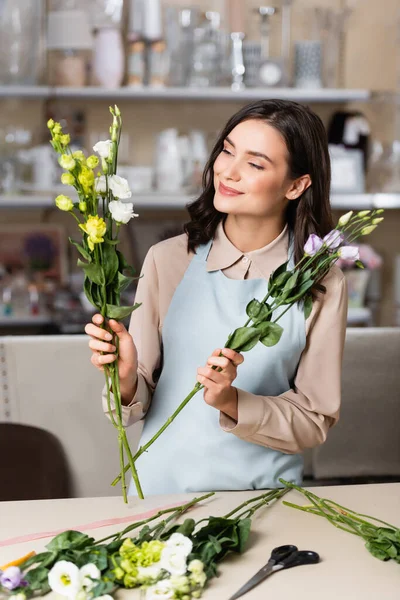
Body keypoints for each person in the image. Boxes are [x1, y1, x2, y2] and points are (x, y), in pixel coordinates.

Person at [85, 99, 347, 496]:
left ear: (297, 185)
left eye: (255, 164)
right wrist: (123, 378)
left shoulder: (321, 279)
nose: (228, 171)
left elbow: (313, 421)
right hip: (160, 494)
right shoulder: (168, 260)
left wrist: (231, 400)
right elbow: (134, 403)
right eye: (227, 150)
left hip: (262, 500)